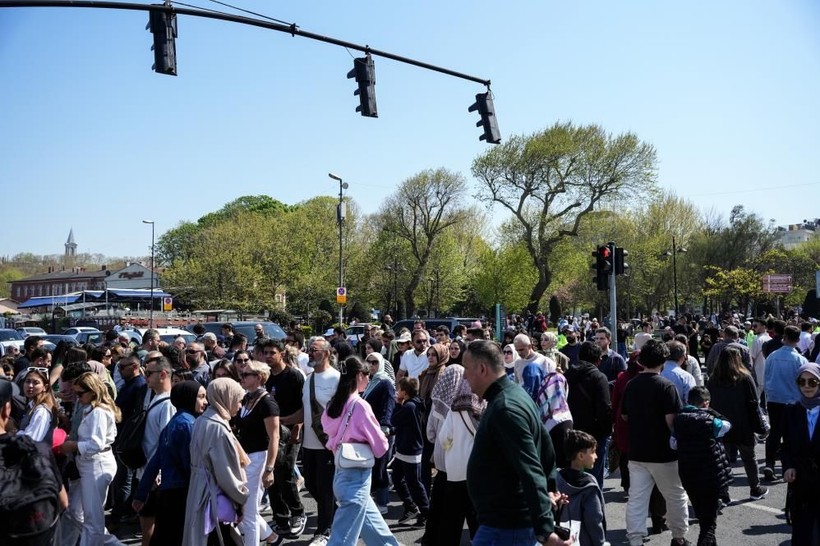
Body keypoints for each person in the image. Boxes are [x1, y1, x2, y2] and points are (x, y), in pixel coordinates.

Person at [462, 340, 570, 546]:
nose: (465, 376)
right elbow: (545, 446)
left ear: (482, 368)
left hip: (507, 527)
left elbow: (530, 469)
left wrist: (546, 531)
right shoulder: (513, 396)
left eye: (466, 369)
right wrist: (549, 488)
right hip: (505, 524)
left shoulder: (506, 408)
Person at [321, 356, 398, 546]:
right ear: (358, 375)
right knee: (342, 538)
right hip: (358, 474)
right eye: (366, 374)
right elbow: (380, 446)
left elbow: (326, 429)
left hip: (341, 470)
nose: (368, 378)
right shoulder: (361, 405)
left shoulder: (333, 404)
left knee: (374, 526)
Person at [621, 339, 691, 546]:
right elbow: (671, 421)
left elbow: (624, 416)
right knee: (675, 495)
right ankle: (678, 536)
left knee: (637, 498)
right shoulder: (666, 386)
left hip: (637, 450)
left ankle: (635, 538)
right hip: (663, 453)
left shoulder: (631, 385)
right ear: (663, 360)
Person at [132, 380, 207, 545]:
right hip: (182, 492)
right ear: (188, 398)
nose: (205, 402)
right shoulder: (187, 425)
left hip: (169, 493)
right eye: (201, 397)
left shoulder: (174, 423)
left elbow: (155, 461)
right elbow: (189, 464)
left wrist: (141, 494)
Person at [57, 372, 125, 546]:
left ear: (93, 391)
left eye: (80, 394)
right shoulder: (93, 410)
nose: (78, 398)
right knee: (77, 512)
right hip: (90, 464)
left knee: (92, 519)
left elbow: (95, 444)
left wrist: (73, 446)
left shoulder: (98, 413)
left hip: (96, 464)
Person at [182, 378, 250, 546]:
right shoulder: (218, 427)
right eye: (239, 400)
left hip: (199, 490)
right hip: (213, 497)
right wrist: (241, 499)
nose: (240, 406)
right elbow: (227, 475)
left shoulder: (202, 420)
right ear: (226, 397)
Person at [671, 386, 732, 546]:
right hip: (710, 475)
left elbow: (673, 444)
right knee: (709, 524)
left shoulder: (679, 419)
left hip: (688, 475)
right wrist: (712, 412)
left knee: (702, 516)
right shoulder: (711, 420)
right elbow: (727, 425)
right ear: (706, 403)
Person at [706, 345, 768, 501]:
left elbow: (709, 404)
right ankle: (755, 488)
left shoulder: (713, 379)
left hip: (721, 426)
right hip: (743, 425)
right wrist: (759, 426)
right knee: (749, 459)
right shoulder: (745, 378)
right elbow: (754, 403)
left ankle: (724, 493)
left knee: (722, 461)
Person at [234, 360, 284, 546]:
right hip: (244, 458)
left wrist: (269, 468)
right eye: (242, 374)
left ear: (259, 377)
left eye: (246, 374)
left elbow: (274, 437)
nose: (242, 377)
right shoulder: (247, 398)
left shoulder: (268, 403)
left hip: (259, 458)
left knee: (249, 511)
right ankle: (272, 537)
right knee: (245, 507)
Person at [261, 338, 307, 540]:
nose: (269, 356)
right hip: (271, 433)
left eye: (272, 352)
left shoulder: (294, 376)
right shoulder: (267, 377)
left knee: (285, 474)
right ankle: (281, 518)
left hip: (290, 432)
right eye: (266, 353)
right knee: (271, 477)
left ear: (281, 353)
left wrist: (296, 426)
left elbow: (303, 407)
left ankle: (298, 513)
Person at [298, 338, 340, 545]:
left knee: (325, 489)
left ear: (326, 353)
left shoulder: (337, 379)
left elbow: (344, 413)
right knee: (310, 484)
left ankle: (325, 530)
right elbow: (304, 410)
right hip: (308, 444)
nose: (309, 354)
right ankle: (335, 513)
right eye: (309, 350)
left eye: (313, 350)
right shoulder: (308, 380)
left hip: (327, 445)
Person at [434, 373, 485, 545]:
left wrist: (453, 449)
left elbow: (443, 438)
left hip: (455, 471)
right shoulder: (485, 406)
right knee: (476, 518)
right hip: (476, 471)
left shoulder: (455, 408)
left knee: (452, 519)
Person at [781, 363, 820, 544]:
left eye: (813, 382)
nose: (807, 386)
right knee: (802, 533)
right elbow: (786, 445)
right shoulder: (792, 410)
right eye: (802, 382)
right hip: (801, 483)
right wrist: (788, 466)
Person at [565, 341, 612, 487]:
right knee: (593, 479)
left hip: (571, 432)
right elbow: (604, 408)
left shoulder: (567, 374)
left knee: (573, 476)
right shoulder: (598, 377)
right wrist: (607, 430)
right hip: (594, 435)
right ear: (598, 360)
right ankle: (594, 507)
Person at [763, 325, 806, 481]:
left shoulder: (772, 356)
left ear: (784, 338)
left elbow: (765, 376)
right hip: (792, 400)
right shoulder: (800, 359)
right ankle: (788, 466)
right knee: (790, 434)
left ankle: (769, 463)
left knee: (774, 432)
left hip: (774, 399)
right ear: (798, 340)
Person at [555, 429, 608, 546]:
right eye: (593, 452)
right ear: (581, 456)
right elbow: (593, 520)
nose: (596, 456)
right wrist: (600, 542)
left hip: (561, 539)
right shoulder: (589, 486)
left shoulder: (557, 478)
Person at [390, 377, 430, 527]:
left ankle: (426, 513)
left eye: (398, 389)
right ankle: (411, 506)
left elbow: (394, 419)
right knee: (397, 478)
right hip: (403, 449)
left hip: (411, 450)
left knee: (414, 483)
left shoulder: (409, 407)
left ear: (405, 392)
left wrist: (397, 404)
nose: (396, 392)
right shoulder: (410, 405)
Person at [362, 352, 396, 514]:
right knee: (373, 466)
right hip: (368, 430)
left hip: (381, 432)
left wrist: (385, 427)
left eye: (375, 362)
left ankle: (383, 503)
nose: (371, 365)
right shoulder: (370, 382)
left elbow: (389, 406)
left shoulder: (385, 382)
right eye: (368, 362)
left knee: (380, 467)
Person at [18, 366, 59, 444]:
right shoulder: (32, 405)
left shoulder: (41, 411)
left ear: (45, 387)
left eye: (36, 383)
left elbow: (31, 440)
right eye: (28, 381)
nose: (30, 386)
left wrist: (12, 432)